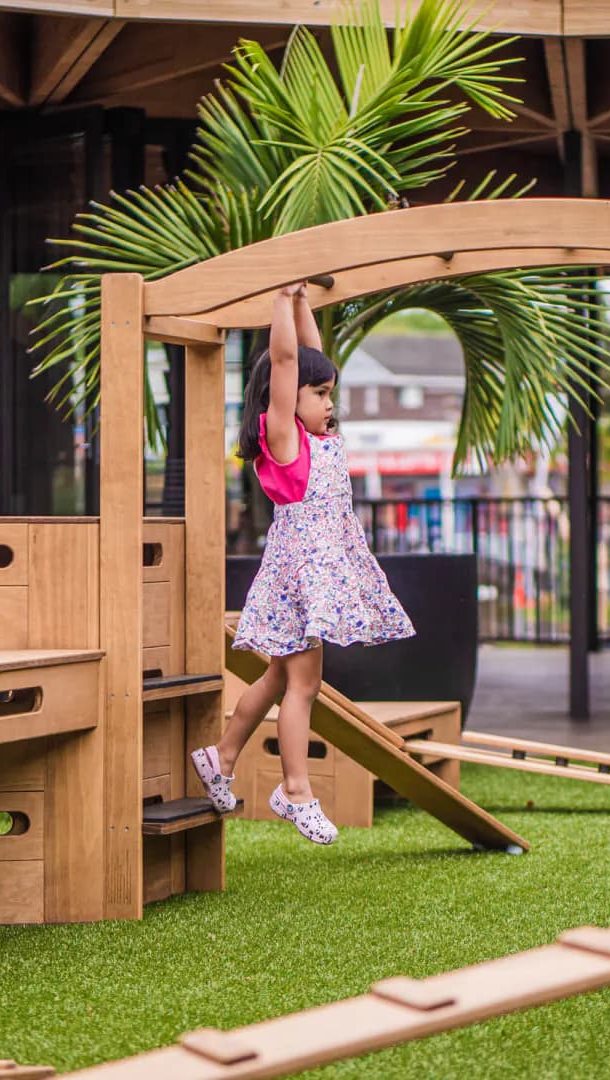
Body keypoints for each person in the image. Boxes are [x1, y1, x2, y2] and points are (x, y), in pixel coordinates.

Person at [191, 282, 414, 844]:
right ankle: (294, 789)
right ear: (288, 397)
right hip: (300, 576)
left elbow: (306, 355)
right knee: (304, 687)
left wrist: (299, 303)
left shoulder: (319, 435)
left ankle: (220, 756)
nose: (329, 401)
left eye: (329, 391)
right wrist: (276, 296)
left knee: (276, 678)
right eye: (319, 392)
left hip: (312, 570)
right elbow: (288, 359)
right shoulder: (285, 435)